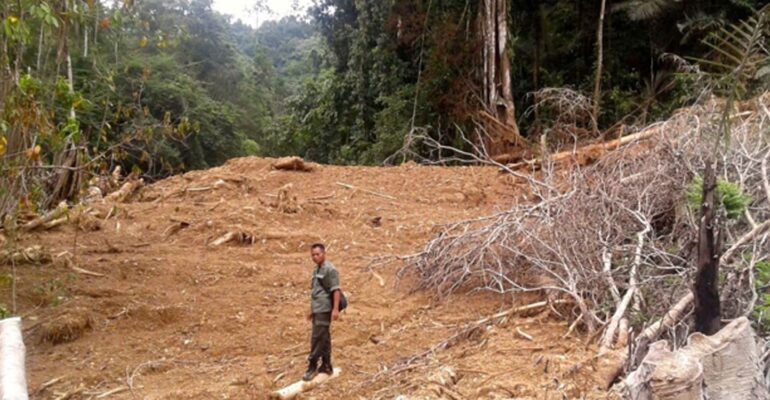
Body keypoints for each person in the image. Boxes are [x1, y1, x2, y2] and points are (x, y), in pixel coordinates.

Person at [303, 243, 341, 381]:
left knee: (317, 338)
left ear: (324, 254)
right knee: (324, 337)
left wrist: (335, 309)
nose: (315, 257)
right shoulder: (317, 269)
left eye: (317, 254)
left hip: (325, 309)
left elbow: (335, 290)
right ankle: (326, 365)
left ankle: (312, 366)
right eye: (313, 255)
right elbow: (316, 292)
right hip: (318, 308)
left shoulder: (330, 269)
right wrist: (312, 310)